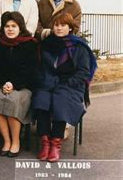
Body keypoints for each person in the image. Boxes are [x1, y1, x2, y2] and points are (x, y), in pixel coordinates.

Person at [33, 13, 96, 162]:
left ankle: (56, 143)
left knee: (61, 101)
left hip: (71, 85)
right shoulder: (46, 44)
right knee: (41, 99)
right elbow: (39, 68)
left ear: (70, 28)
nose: (59, 28)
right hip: (48, 83)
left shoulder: (79, 46)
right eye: (56, 25)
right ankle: (45, 142)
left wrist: (67, 83)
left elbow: (84, 72)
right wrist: (45, 81)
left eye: (63, 25)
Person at [0, 11, 38, 157]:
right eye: (7, 26)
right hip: (1, 85)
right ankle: (6, 141)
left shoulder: (30, 44)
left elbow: (31, 71)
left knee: (12, 99)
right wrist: (3, 83)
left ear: (20, 27)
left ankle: (16, 141)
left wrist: (13, 84)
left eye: (14, 26)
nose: (10, 29)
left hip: (23, 87)